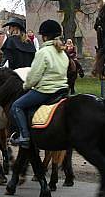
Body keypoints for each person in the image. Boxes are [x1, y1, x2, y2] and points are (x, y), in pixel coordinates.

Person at [10, 20, 69, 148]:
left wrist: (26, 85)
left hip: (46, 92)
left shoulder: (43, 52)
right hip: (62, 90)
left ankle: (24, 136)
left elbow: (34, 76)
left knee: (16, 106)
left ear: (45, 36)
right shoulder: (62, 52)